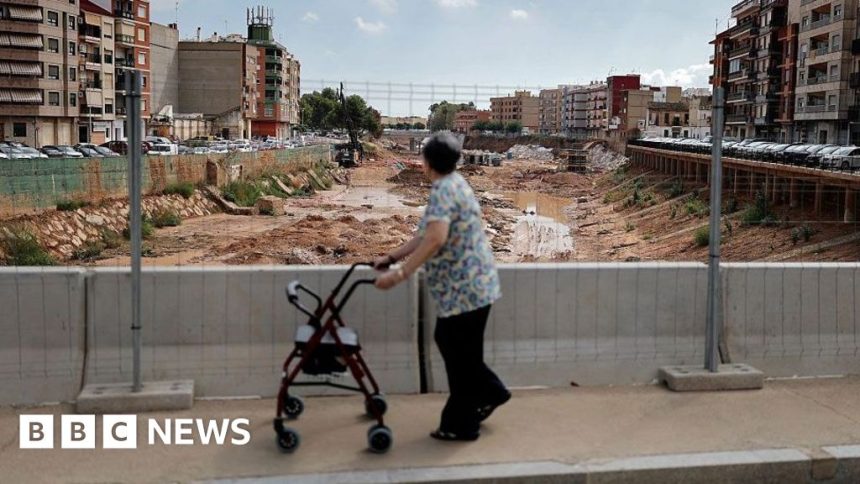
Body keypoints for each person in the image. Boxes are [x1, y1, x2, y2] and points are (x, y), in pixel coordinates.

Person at [374, 132, 510, 441]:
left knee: (459, 354)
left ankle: (461, 423)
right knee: (459, 349)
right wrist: (392, 256)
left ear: (427, 162)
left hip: (465, 289)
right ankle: (492, 392)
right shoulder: (455, 184)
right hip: (475, 287)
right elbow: (425, 234)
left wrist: (399, 275)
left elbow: (436, 238)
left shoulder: (443, 192)